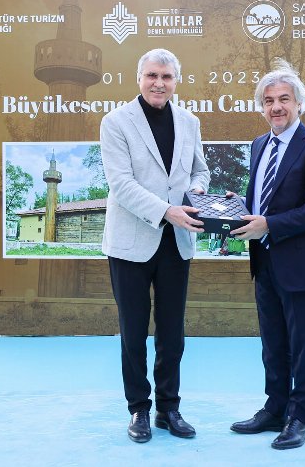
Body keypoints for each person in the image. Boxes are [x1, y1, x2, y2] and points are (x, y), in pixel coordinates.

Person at [100, 48, 210, 443]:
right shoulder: (115, 122)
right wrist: (167, 211)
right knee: (133, 333)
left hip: (176, 244)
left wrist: (198, 192)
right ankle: (138, 409)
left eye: (166, 77)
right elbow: (121, 183)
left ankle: (168, 408)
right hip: (130, 243)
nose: (158, 83)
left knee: (172, 334)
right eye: (152, 75)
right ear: (139, 78)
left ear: (176, 81)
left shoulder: (190, 122)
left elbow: (200, 171)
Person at [228, 58, 305, 450]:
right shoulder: (259, 145)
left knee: (303, 345)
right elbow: (265, 200)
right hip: (264, 260)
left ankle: (301, 418)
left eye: (284, 99)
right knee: (272, 342)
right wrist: (236, 207)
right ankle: (275, 409)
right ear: (262, 107)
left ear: (299, 104)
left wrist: (269, 225)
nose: (276, 107)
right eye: (269, 100)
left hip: (301, 262)